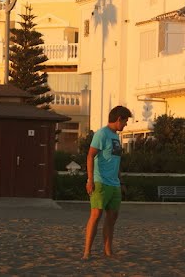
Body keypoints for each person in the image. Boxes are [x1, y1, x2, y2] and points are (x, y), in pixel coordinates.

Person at [82, 105, 131, 260]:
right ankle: (87, 252)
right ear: (118, 119)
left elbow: (115, 161)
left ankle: (108, 251)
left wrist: (121, 182)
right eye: (125, 121)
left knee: (112, 218)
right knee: (96, 215)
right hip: (100, 182)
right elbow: (90, 156)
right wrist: (90, 180)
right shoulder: (101, 134)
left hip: (114, 184)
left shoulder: (116, 137)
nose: (126, 124)